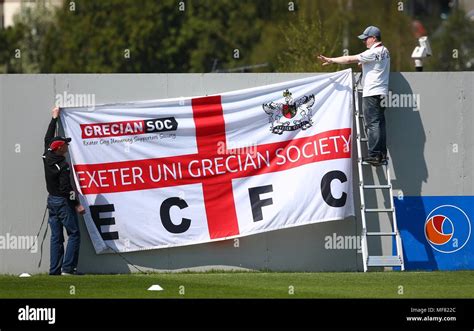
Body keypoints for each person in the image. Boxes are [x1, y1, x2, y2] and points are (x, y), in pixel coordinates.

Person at [317, 26, 390, 166]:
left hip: (372, 92)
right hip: (383, 92)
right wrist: (364, 64)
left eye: (366, 39)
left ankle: (374, 155)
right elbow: (375, 65)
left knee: (372, 124)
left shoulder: (372, 52)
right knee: (380, 124)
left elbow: (349, 59)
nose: (364, 42)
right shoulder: (385, 51)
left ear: (373, 38)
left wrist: (332, 60)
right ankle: (381, 154)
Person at [42, 106, 85, 275]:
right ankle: (68, 269)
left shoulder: (47, 154)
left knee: (56, 237)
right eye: (65, 144)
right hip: (62, 202)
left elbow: (47, 138)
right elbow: (67, 189)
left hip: (51, 201)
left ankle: (54, 271)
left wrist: (54, 118)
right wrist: (77, 205)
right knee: (74, 234)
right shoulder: (63, 165)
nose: (67, 146)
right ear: (59, 148)